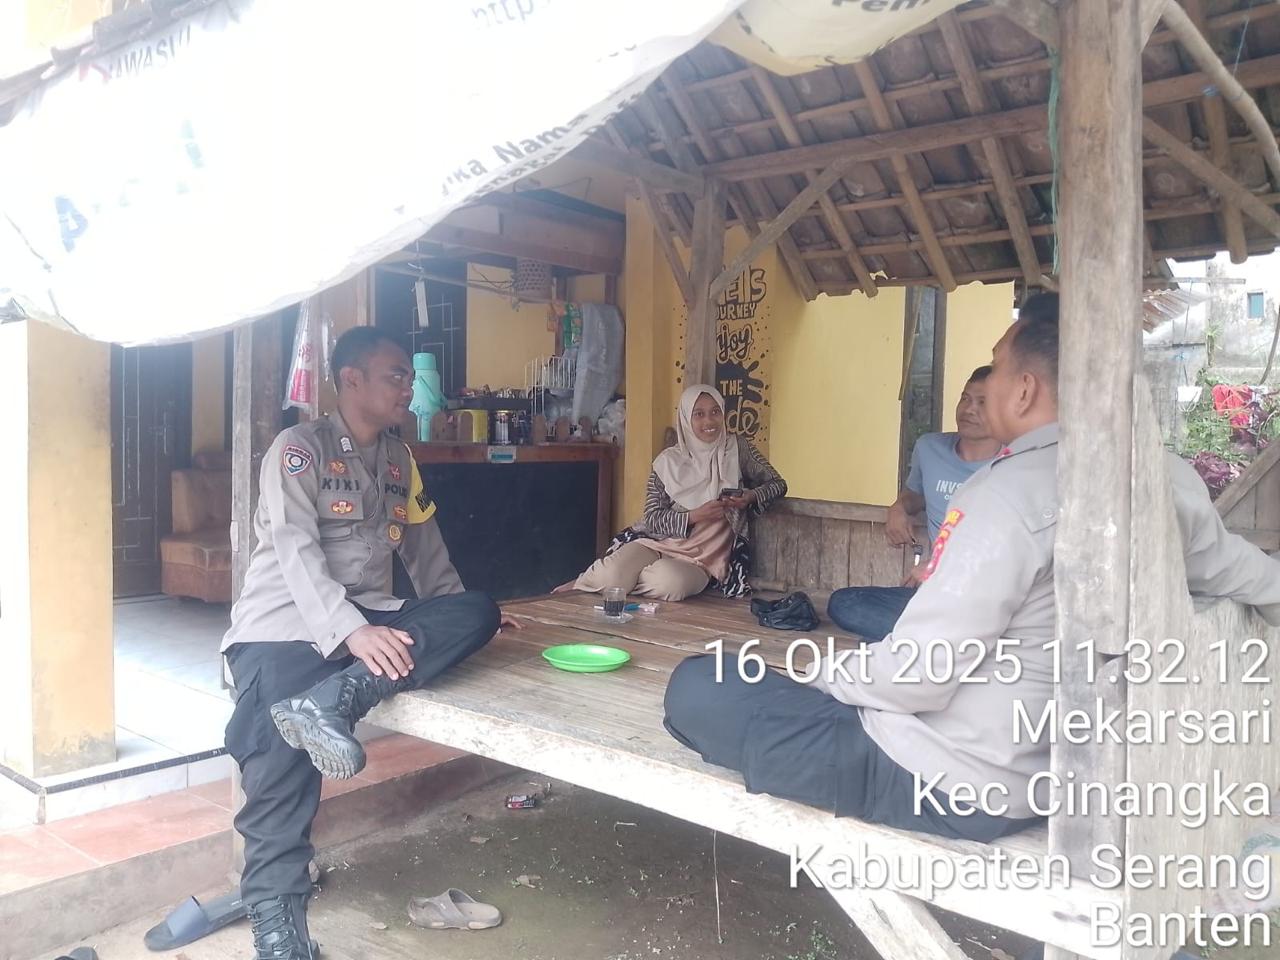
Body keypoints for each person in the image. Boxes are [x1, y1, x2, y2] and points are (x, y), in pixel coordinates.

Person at [663, 293, 1280, 842]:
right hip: (1063, 770)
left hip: (953, 779)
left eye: (998, 365)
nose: (986, 385)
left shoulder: (1005, 494)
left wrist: (827, 677)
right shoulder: (1169, 478)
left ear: (1024, 390)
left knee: (699, 684)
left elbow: (920, 675)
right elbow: (1252, 576)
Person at [222, 327, 514, 960]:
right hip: (284, 627)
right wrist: (350, 632)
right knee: (276, 763)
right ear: (350, 379)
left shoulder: (399, 460)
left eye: (409, 376)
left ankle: (334, 700)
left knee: (479, 609)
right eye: (395, 375)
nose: (409, 387)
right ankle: (279, 931)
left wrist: (460, 623)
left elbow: (427, 554)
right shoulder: (297, 450)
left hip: (367, 618)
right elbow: (296, 550)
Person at [826, 365, 1000, 639]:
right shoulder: (930, 448)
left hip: (989, 594)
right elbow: (916, 494)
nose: (969, 409)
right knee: (845, 603)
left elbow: (1010, 546)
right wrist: (899, 508)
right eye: (965, 398)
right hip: (936, 594)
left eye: (982, 402)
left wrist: (944, 567)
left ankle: (934, 638)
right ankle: (945, 638)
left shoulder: (1014, 464)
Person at [569, 384, 787, 600]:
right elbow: (652, 518)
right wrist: (694, 516)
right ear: (685, 419)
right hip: (655, 544)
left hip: (702, 560)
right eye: (699, 414)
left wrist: (750, 497)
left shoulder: (738, 449)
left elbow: (777, 484)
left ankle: (618, 581)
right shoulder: (668, 462)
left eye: (715, 412)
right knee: (611, 575)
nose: (709, 421)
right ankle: (606, 579)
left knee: (669, 584)